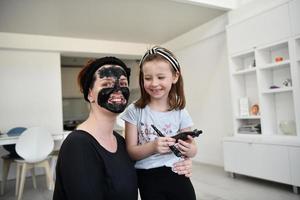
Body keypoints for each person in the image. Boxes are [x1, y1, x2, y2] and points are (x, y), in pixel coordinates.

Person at [53, 56, 192, 200]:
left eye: (123, 83)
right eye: (107, 83)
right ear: (90, 94)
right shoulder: (78, 144)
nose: (118, 89)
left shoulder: (120, 142)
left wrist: (180, 163)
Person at [121, 46, 197, 200]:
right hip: (148, 178)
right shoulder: (134, 111)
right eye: (148, 78)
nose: (154, 83)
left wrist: (189, 150)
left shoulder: (181, 111)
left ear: (175, 77)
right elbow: (130, 152)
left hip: (177, 174)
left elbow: (193, 149)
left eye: (161, 77)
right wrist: (153, 147)